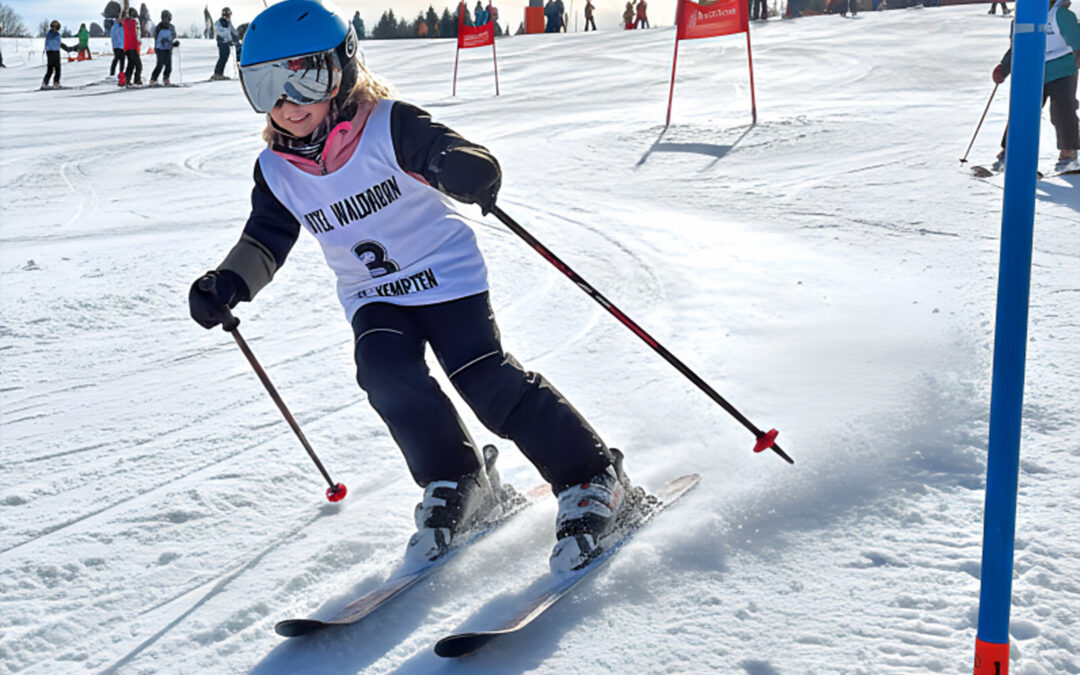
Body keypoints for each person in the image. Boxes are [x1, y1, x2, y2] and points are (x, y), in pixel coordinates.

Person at [189, 0, 641, 575]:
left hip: (446, 279)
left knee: (486, 381)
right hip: (373, 295)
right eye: (266, 86)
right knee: (385, 373)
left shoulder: (387, 123)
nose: (288, 101)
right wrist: (228, 284)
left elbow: (446, 151)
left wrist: (465, 169)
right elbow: (265, 239)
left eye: (307, 76)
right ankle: (459, 479)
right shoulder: (276, 169)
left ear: (343, 68)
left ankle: (593, 477)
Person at [992, 0, 1080, 173]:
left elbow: (1077, 41)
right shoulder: (1020, 19)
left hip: (1061, 70)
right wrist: (1004, 68)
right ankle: (1010, 152)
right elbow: (1016, 47)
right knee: (1023, 111)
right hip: (1031, 72)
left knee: (1062, 111)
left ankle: (1068, 153)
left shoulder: (1060, 15)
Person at [41, 21, 74, 89]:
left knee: (52, 69)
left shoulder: (52, 34)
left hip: (52, 52)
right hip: (53, 52)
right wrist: (64, 47)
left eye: (57, 27)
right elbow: (55, 43)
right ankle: (54, 83)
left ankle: (47, 82)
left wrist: (65, 47)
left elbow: (58, 43)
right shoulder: (52, 34)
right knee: (56, 68)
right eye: (55, 27)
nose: (56, 29)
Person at [212, 7, 240, 80]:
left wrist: (236, 37)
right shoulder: (219, 22)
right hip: (222, 42)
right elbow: (221, 32)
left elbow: (233, 31)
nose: (229, 16)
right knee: (223, 57)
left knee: (225, 57)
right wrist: (228, 39)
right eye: (228, 14)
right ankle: (217, 73)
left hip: (226, 43)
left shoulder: (228, 22)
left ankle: (219, 73)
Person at [151, 10, 178, 85]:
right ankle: (153, 78)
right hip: (160, 49)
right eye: (164, 18)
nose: (165, 19)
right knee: (160, 64)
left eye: (167, 18)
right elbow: (156, 38)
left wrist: (175, 43)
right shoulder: (158, 27)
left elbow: (173, 37)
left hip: (168, 49)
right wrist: (161, 42)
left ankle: (166, 78)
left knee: (168, 65)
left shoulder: (171, 27)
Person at [122, 7, 143, 86]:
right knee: (138, 65)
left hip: (127, 47)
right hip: (133, 47)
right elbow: (138, 35)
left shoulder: (125, 22)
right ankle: (136, 80)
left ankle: (127, 80)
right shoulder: (135, 22)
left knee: (130, 64)